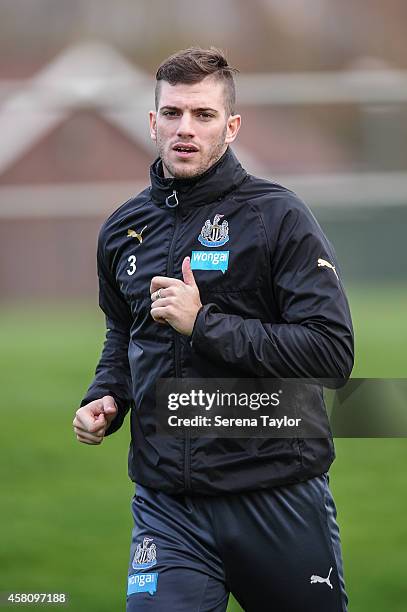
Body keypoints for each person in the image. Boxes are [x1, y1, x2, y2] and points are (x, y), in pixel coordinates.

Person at [73, 47, 354, 612]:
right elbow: (123, 334)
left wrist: (204, 324)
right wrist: (107, 395)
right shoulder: (123, 230)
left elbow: (331, 353)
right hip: (167, 507)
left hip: (276, 498)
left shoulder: (278, 218)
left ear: (231, 126)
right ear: (152, 123)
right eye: (172, 113)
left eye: (203, 115)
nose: (185, 128)